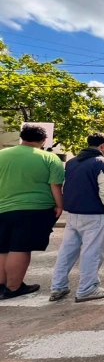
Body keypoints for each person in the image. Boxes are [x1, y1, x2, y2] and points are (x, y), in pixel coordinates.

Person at [50, 132, 104, 302]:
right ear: (102, 146)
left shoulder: (72, 162)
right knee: (93, 251)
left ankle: (58, 286)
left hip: (73, 212)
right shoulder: (102, 162)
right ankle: (87, 288)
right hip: (94, 213)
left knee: (67, 250)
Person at [0, 124, 64, 300]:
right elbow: (55, 186)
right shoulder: (49, 158)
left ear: (22, 137)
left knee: (3, 248)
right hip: (34, 209)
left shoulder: (2, 154)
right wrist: (59, 205)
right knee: (20, 248)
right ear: (44, 140)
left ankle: (1, 285)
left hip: (2, 208)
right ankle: (13, 287)